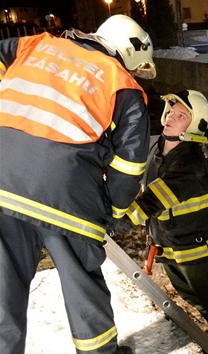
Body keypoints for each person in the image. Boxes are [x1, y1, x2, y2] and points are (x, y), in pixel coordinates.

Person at [0, 15, 155, 354]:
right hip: (66, 194)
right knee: (82, 282)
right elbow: (129, 168)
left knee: (3, 286)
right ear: (130, 52)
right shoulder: (123, 85)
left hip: (2, 180)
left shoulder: (36, 45)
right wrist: (112, 214)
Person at [118, 90, 208, 353]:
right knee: (192, 297)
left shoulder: (190, 160)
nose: (170, 118)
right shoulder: (158, 146)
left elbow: (153, 200)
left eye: (181, 115)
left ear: (194, 125)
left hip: (195, 249)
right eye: (170, 111)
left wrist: (115, 222)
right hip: (169, 244)